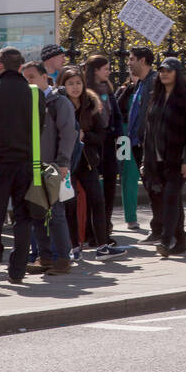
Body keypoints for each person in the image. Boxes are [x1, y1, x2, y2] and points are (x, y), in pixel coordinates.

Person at [0, 46, 52, 283]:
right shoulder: (35, 94)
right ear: (20, 67)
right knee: (23, 217)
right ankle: (17, 270)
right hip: (26, 163)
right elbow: (39, 127)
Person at [58, 65, 127, 258]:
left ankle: (102, 244)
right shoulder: (58, 103)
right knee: (69, 204)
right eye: (70, 83)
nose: (75, 87)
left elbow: (101, 134)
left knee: (97, 200)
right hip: (66, 162)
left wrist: (84, 136)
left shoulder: (90, 103)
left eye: (78, 83)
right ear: (63, 85)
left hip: (87, 160)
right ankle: (74, 247)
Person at [21, 60, 78, 274]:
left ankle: (62, 258)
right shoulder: (27, 101)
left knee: (55, 213)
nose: (28, 81)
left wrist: (63, 162)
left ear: (45, 77)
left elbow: (68, 134)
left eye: (32, 77)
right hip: (32, 165)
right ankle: (44, 257)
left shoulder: (58, 102)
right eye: (25, 78)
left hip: (52, 166)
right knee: (37, 212)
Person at [143, 57, 186, 257]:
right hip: (155, 158)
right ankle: (180, 240)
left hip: (177, 157)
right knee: (172, 201)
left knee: (170, 197)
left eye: (168, 70)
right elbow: (148, 129)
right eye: (161, 70)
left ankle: (166, 240)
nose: (164, 73)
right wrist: (146, 160)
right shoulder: (155, 96)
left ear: (177, 72)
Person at [117, 46, 157, 235]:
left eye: (132, 59)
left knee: (139, 177)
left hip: (141, 141)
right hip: (125, 140)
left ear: (142, 61)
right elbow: (118, 111)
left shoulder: (151, 84)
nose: (129, 63)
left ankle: (159, 227)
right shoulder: (125, 90)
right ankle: (129, 216)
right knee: (126, 174)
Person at [84, 54, 124, 242]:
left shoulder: (108, 90)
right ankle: (90, 230)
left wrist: (120, 142)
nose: (109, 71)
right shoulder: (85, 91)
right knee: (92, 189)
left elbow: (117, 116)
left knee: (109, 186)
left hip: (109, 142)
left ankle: (105, 227)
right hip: (93, 143)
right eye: (105, 68)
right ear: (95, 71)